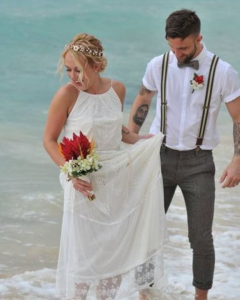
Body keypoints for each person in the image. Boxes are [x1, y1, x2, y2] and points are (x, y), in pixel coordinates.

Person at [129, 9, 240, 300]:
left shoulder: (222, 71)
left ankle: (201, 297)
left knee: (200, 238)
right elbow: (144, 97)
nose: (177, 53)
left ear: (199, 38)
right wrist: (131, 138)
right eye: (172, 47)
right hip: (158, 157)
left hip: (199, 163)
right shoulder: (158, 65)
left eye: (182, 47)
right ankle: (144, 295)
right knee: (145, 232)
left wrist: (238, 160)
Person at [43, 33, 167, 300]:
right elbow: (49, 140)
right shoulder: (67, 94)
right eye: (68, 69)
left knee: (112, 248)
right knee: (83, 255)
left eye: (79, 69)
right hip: (82, 181)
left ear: (96, 66)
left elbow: (116, 129)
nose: (73, 76)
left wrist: (142, 141)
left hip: (115, 176)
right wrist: (70, 173)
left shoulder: (117, 89)